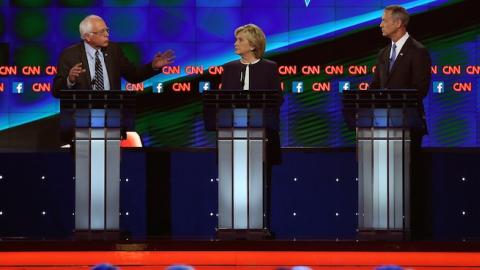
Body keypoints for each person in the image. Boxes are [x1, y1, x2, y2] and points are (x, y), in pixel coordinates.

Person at [370, 5, 432, 240]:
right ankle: (385, 227)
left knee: (408, 178)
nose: (380, 24)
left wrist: (393, 102)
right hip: (383, 125)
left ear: (398, 23)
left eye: (384, 20)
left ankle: (411, 232)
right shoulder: (384, 53)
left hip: (407, 123)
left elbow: (420, 89)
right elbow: (376, 85)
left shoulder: (418, 51)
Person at [53, 14, 175, 96]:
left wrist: (153, 66)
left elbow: (134, 76)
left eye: (107, 30)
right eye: (101, 32)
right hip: (83, 117)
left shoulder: (113, 50)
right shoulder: (69, 55)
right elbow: (56, 91)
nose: (107, 34)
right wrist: (70, 80)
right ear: (87, 37)